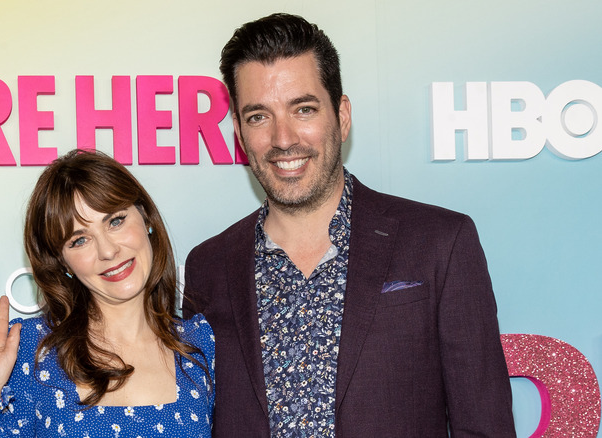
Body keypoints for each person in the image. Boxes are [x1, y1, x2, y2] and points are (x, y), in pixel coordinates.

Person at [182, 13, 515, 437]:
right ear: (238, 132)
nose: (283, 139)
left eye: (303, 109)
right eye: (258, 116)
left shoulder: (440, 244)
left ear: (341, 115)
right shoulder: (208, 266)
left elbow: (484, 427)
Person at [0, 150, 214, 437]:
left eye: (115, 221)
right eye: (79, 240)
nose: (108, 251)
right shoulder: (26, 352)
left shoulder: (200, 344)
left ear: (146, 217)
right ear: (62, 262)